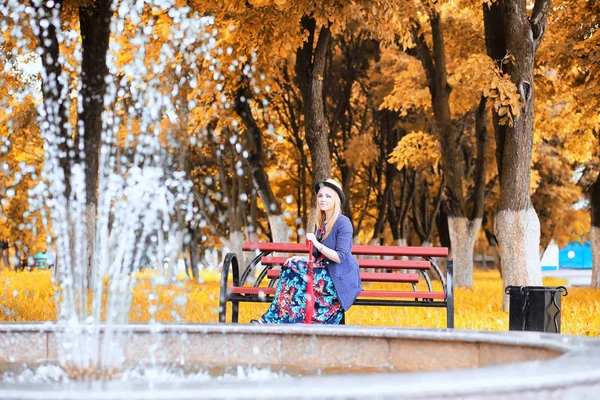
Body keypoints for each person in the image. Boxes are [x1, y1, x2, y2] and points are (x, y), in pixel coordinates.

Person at [253, 179, 362, 324]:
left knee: (294, 271)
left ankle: (275, 320)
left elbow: (340, 257)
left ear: (336, 199)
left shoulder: (343, 222)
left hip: (337, 279)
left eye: (328, 196)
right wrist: (301, 258)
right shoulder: (323, 224)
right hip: (323, 272)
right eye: (320, 196)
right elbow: (317, 257)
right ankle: (279, 319)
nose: (323, 199)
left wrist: (316, 242)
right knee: (289, 266)